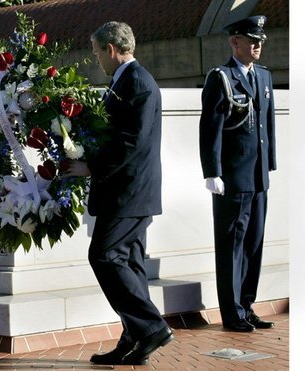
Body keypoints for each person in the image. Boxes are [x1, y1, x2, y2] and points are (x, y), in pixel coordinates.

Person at [64, 21, 173, 365]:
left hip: (130, 192)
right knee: (130, 263)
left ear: (111, 49)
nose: (96, 58)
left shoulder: (138, 83)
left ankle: (152, 327)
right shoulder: (123, 81)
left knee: (104, 256)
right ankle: (134, 337)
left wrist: (91, 167)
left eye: (97, 51)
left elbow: (132, 142)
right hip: (126, 191)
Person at [199, 15, 276, 332]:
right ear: (235, 42)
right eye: (251, 39)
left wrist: (269, 162)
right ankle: (232, 314)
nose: (257, 45)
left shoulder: (264, 76)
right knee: (231, 246)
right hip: (232, 178)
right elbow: (210, 129)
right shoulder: (222, 77)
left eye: (260, 40)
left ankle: (247, 305)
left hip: (258, 178)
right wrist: (212, 172)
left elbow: (266, 125)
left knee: (254, 244)